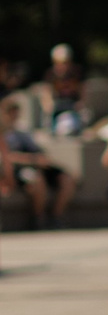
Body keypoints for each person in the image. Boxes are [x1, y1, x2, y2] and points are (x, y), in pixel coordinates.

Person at [3, 96, 72, 226]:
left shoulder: (24, 130)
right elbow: (7, 157)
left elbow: (38, 149)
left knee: (67, 179)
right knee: (37, 179)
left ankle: (56, 217)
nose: (14, 116)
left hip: (39, 164)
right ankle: (38, 218)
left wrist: (43, 160)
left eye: (15, 112)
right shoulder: (4, 134)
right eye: (10, 112)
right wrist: (32, 160)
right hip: (21, 169)